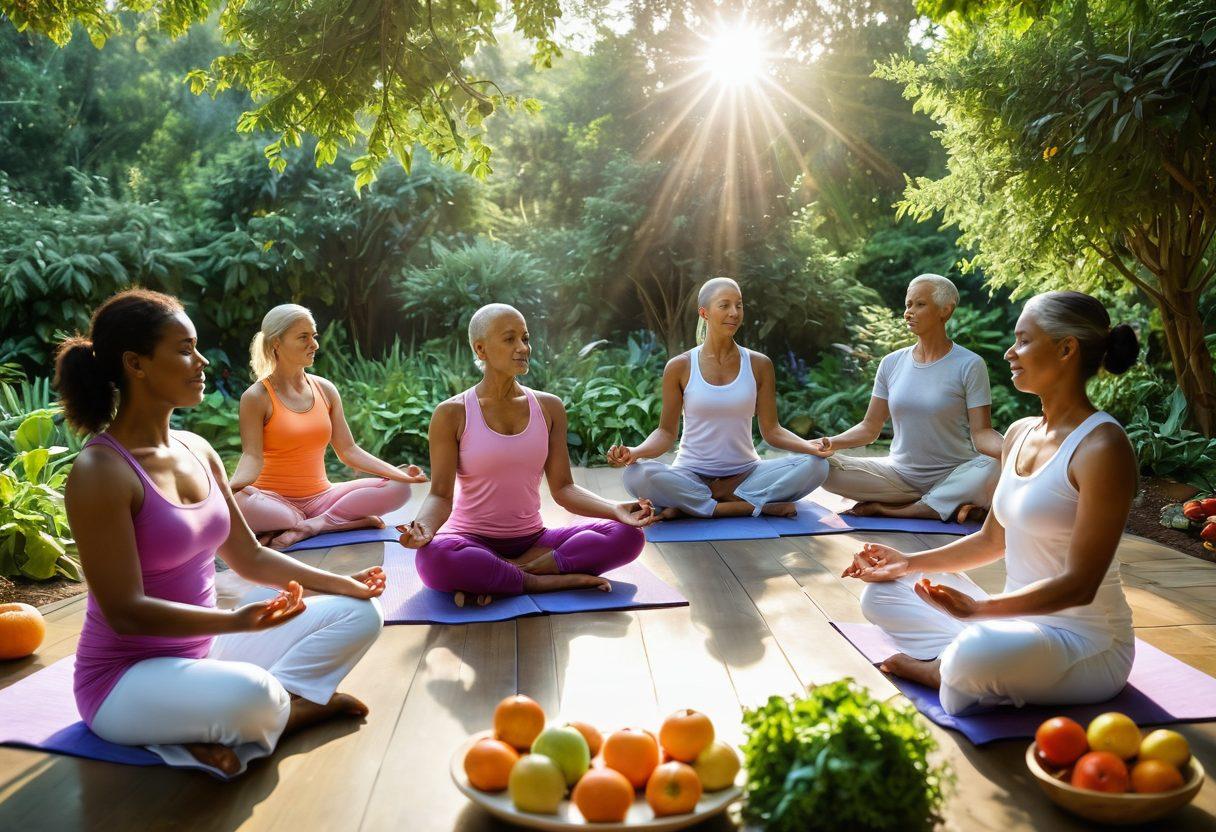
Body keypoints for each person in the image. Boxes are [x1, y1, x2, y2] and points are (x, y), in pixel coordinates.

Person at [58, 290, 386, 777]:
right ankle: (292, 709)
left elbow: (249, 557)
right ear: (136, 363)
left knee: (361, 614)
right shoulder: (100, 471)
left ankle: (240, 723)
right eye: (185, 348)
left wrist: (346, 584)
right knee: (255, 693)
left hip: (204, 650)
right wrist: (237, 622)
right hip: (124, 680)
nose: (202, 359)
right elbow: (125, 613)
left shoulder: (197, 448)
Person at [841, 290, 1140, 715]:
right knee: (881, 593)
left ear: (1065, 349)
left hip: (1086, 644)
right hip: (1014, 623)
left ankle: (944, 668)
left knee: (975, 653)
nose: (1009, 353)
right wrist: (906, 563)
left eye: (1022, 340)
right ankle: (962, 666)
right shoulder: (1018, 433)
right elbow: (990, 541)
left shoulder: (1102, 447)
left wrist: (979, 610)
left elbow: (1080, 585)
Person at [401, 303, 654, 608]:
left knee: (628, 535)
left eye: (525, 338)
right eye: (510, 339)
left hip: (535, 541)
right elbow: (440, 495)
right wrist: (426, 528)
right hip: (470, 541)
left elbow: (564, 489)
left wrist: (615, 509)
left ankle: (506, 576)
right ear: (481, 349)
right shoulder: (452, 413)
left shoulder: (549, 408)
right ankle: (539, 579)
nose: (523, 347)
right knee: (433, 557)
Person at [606, 277, 830, 520]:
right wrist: (635, 452)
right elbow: (666, 433)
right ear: (704, 312)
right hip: (691, 475)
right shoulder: (680, 366)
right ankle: (743, 506)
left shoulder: (759, 364)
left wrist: (810, 447)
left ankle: (697, 505)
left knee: (817, 466)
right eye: (724, 305)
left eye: (739, 305)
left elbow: (772, 430)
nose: (734, 313)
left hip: (746, 474)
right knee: (635, 475)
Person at [811, 274, 1004, 524]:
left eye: (919, 304)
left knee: (993, 466)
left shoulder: (969, 364)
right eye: (908, 305)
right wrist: (828, 443)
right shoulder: (891, 363)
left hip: (956, 474)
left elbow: (982, 434)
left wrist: (1016, 449)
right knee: (824, 469)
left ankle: (894, 509)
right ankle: (940, 503)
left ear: (946, 310)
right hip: (898, 476)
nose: (908, 312)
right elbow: (870, 428)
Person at [230, 304, 427, 549]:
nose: (314, 344)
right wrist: (228, 491)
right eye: (303, 337)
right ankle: (339, 520)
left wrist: (400, 475)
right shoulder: (256, 397)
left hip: (322, 498)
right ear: (276, 343)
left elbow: (348, 450)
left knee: (400, 489)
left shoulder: (325, 389)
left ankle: (312, 525)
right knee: (244, 506)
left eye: (314, 336)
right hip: (273, 502)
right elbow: (251, 457)